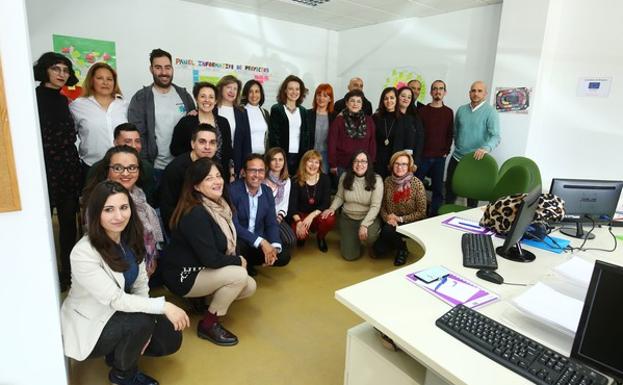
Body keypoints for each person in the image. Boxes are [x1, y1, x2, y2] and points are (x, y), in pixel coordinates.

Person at [60, 181, 189, 385]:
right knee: (142, 322)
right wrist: (162, 306)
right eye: (108, 210)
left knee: (169, 337)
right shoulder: (83, 252)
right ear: (95, 214)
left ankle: (119, 353)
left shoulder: (129, 238)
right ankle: (122, 376)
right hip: (93, 322)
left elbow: (140, 283)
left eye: (123, 207)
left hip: (118, 312)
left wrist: (148, 314)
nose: (119, 216)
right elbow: (115, 299)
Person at [163, 158, 256, 346]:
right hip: (183, 275)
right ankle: (208, 324)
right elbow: (211, 258)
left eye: (218, 176)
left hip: (201, 267)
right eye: (208, 178)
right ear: (196, 186)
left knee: (249, 285)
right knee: (239, 276)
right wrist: (238, 261)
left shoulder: (220, 206)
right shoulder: (196, 212)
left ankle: (202, 300)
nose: (217, 181)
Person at [33, 52, 82, 290]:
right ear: (45, 70)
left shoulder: (63, 99)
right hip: (46, 168)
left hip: (68, 168)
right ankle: (44, 273)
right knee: (42, 224)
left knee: (68, 224)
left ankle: (67, 274)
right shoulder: (33, 97)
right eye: (56, 69)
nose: (62, 74)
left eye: (65, 70)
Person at [83, 146, 164, 277]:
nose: (126, 173)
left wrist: (150, 258)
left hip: (140, 266)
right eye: (118, 168)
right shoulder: (99, 200)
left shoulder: (139, 194)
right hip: (114, 268)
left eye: (132, 168)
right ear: (107, 170)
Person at [128, 49, 195, 183]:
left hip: (182, 166)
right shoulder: (141, 98)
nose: (164, 72)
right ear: (151, 69)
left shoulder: (184, 95)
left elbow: (193, 129)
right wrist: (146, 166)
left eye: (167, 67)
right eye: (158, 68)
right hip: (155, 168)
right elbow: (138, 135)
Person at [229, 154, 291, 276]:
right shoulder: (232, 191)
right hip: (239, 239)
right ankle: (244, 264)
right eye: (252, 170)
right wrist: (262, 242)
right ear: (243, 172)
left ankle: (249, 262)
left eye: (261, 171)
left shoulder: (267, 192)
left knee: (283, 256)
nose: (257, 175)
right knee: (238, 248)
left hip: (258, 238)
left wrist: (273, 247)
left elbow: (271, 223)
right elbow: (234, 225)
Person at [446, 81, 501, 206]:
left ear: (485, 94)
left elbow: (496, 136)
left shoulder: (491, 112)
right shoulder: (461, 110)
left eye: (479, 91)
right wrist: (458, 144)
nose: (476, 93)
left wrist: (485, 148)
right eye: (473, 90)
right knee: (450, 193)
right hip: (457, 157)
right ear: (469, 93)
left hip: (476, 160)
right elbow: (455, 131)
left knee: (472, 198)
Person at [321, 151, 382, 261]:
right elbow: (340, 196)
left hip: (367, 219)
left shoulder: (377, 179)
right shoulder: (345, 176)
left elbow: (375, 206)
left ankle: (370, 244)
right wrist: (332, 208)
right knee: (349, 256)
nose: (359, 164)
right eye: (356, 161)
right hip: (348, 218)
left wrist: (364, 224)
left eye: (363, 161)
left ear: (369, 164)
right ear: (352, 163)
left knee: (369, 236)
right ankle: (354, 239)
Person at [69, 62, 128, 174]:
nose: (105, 82)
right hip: (92, 167)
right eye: (100, 78)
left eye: (109, 79)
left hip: (122, 166)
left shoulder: (124, 105)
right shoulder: (77, 106)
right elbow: (70, 135)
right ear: (91, 81)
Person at [160, 124, 218, 232]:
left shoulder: (215, 165)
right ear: (192, 144)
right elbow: (167, 208)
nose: (207, 147)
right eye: (202, 141)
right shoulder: (175, 169)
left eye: (212, 142)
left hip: (209, 223)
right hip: (182, 227)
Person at [169, 82, 233, 181]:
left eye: (211, 97)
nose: (207, 100)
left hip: (219, 175)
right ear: (196, 99)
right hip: (193, 175)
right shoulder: (186, 122)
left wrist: (230, 173)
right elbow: (175, 149)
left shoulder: (223, 122)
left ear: (216, 100)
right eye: (203, 96)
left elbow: (228, 150)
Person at [374, 151, 427, 266]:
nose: (399, 167)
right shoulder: (387, 181)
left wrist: (400, 219)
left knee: (387, 232)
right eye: (397, 163)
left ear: (409, 167)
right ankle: (394, 242)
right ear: (392, 165)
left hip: (409, 222)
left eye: (404, 164)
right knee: (377, 251)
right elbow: (382, 206)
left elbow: (422, 212)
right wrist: (388, 218)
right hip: (390, 221)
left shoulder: (417, 184)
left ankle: (402, 249)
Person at [87, 123, 156, 204]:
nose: (134, 146)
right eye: (128, 141)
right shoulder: (98, 168)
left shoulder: (146, 168)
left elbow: (149, 200)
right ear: (115, 143)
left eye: (137, 141)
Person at [417, 80, 453, 215]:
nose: (438, 91)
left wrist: (446, 151)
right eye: (435, 89)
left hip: (439, 158)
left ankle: (433, 216)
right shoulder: (423, 111)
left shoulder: (449, 112)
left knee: (438, 189)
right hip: (423, 157)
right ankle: (417, 214)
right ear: (431, 92)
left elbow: (450, 134)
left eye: (441, 89)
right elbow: (419, 135)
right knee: (417, 187)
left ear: (445, 92)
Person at [289, 150, 335, 252]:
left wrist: (311, 216)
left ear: (320, 165)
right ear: (304, 162)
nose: (313, 165)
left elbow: (326, 203)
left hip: (316, 215)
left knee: (329, 219)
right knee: (296, 235)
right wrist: (299, 222)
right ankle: (302, 237)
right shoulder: (295, 180)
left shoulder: (325, 179)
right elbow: (292, 206)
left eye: (317, 162)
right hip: (300, 216)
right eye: (310, 161)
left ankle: (321, 237)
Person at [268, 75, 311, 176]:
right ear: (285, 91)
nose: (294, 92)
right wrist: (278, 157)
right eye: (290, 89)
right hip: (282, 156)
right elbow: (274, 136)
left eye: (297, 89)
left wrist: (305, 157)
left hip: (299, 156)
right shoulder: (277, 109)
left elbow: (306, 136)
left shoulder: (304, 111)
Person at [328, 89, 376, 177]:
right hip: (343, 165)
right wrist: (333, 164)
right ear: (346, 103)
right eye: (352, 101)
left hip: (363, 165)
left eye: (358, 101)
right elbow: (332, 143)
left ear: (362, 105)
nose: (355, 104)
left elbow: (372, 142)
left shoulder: (369, 120)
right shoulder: (339, 120)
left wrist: (371, 162)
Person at [372, 87, 413, 179]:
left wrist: (405, 165)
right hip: (377, 162)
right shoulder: (375, 118)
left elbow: (408, 145)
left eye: (392, 98)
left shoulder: (406, 119)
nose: (389, 101)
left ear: (396, 99)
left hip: (396, 163)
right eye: (386, 98)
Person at [216, 75, 252, 175]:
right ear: (221, 88)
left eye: (235, 89)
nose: (232, 91)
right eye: (228, 87)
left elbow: (246, 141)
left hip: (236, 160)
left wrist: (246, 166)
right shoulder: (212, 108)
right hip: (215, 158)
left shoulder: (242, 112)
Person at [262, 148, 296, 250]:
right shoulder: (262, 178)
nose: (277, 163)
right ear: (268, 161)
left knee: (291, 241)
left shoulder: (287, 181)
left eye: (280, 159)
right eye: (274, 159)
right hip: (260, 217)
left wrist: (278, 219)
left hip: (276, 217)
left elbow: (284, 205)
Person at [307, 83, 335, 174]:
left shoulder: (335, 117)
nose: (321, 98)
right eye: (319, 95)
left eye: (325, 96)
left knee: (323, 180)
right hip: (309, 153)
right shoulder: (307, 114)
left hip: (326, 155)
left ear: (330, 99)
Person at [397, 86, 425, 164]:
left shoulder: (415, 118)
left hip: (409, 161)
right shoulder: (391, 116)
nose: (406, 99)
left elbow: (420, 140)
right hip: (391, 159)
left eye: (409, 97)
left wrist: (415, 162)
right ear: (397, 97)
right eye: (403, 96)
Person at [241, 79, 270, 154]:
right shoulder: (240, 112)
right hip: (246, 156)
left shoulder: (265, 112)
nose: (254, 95)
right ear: (246, 94)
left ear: (261, 94)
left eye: (257, 91)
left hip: (262, 157)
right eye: (250, 92)